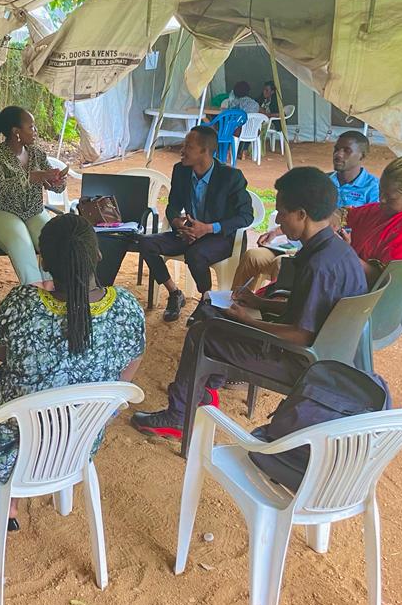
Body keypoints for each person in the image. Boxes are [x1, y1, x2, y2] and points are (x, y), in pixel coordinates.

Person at [0, 213, 145, 530]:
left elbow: (0, 352)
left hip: (3, 448)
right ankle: (12, 500)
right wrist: (103, 406)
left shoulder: (23, 303)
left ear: (44, 262)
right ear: (98, 254)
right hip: (78, 444)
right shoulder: (128, 308)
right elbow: (131, 362)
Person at [131, 166, 366, 438]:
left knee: (201, 333)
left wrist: (246, 320)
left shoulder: (319, 265)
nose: (279, 219)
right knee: (212, 313)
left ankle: (178, 415)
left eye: (282, 213)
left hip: (300, 361)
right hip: (325, 352)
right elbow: (310, 310)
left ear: (302, 215)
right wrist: (260, 303)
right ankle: (205, 390)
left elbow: (301, 334)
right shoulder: (337, 251)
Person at [231, 130, 379, 288]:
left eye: (346, 151)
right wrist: (276, 232)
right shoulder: (323, 182)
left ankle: (273, 305)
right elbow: (303, 216)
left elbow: (369, 231)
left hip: (329, 252)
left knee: (281, 265)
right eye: (336, 149)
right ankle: (234, 303)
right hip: (300, 243)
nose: (339, 154)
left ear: (362, 156)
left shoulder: (373, 189)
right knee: (252, 256)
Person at [138, 126, 253, 321]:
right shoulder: (181, 171)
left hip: (220, 237)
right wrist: (177, 222)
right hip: (188, 234)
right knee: (146, 243)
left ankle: (205, 301)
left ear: (204, 151)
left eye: (188, 147)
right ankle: (175, 293)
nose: (181, 151)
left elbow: (246, 216)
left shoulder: (231, 177)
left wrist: (208, 228)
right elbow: (173, 205)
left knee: (195, 254)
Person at [0, 106, 67, 287]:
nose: (35, 131)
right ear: (16, 132)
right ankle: (34, 294)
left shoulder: (37, 153)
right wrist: (32, 178)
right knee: (22, 242)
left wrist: (56, 181)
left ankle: (54, 291)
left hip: (33, 212)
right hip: (0, 212)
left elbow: (57, 188)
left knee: (53, 241)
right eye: (31, 127)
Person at [343, 155, 402, 285]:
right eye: (380, 190)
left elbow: (386, 283)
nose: (381, 199)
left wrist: (345, 253)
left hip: (370, 298)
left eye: (390, 197)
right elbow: (348, 216)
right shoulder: (381, 211)